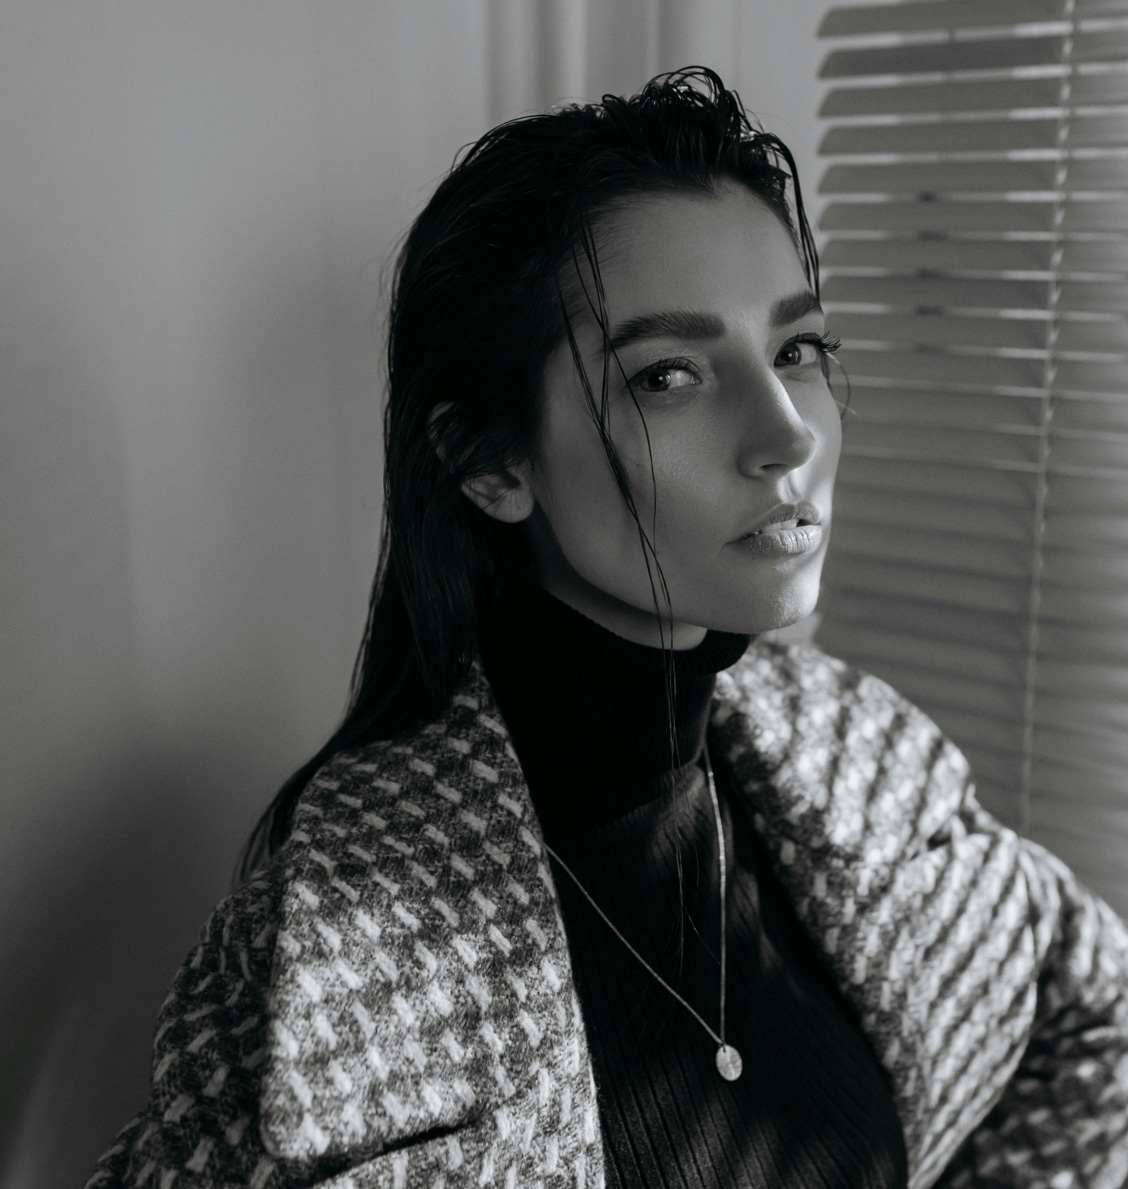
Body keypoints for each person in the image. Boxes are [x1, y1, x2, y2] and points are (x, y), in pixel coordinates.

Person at [88, 67, 1128, 1189]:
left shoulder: (865, 766)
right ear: (490, 464)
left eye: (797, 349)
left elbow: (1093, 1022)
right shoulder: (320, 959)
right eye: (669, 375)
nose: (788, 434)